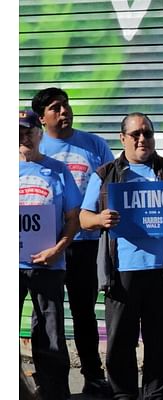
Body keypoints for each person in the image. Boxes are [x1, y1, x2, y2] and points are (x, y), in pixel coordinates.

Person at [79, 112, 163, 400]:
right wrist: (100, 220)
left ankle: (155, 394)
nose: (143, 139)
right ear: (123, 139)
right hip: (121, 270)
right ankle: (123, 394)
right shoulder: (106, 174)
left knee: (161, 340)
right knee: (120, 340)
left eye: (148, 133)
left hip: (162, 269)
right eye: (136, 134)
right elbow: (83, 217)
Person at [31, 87, 115, 396]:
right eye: (56, 108)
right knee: (45, 314)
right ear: (42, 118)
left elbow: (112, 184)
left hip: (85, 243)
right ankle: (46, 379)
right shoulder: (35, 147)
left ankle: (93, 374)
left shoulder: (94, 145)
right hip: (45, 248)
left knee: (83, 313)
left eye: (66, 106)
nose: (64, 112)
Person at [19, 110, 81, 400]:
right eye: (17, 132)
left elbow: (73, 217)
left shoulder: (58, 171)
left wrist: (58, 248)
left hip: (50, 264)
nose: (23, 137)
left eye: (28, 131)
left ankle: (54, 392)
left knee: (51, 337)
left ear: (39, 134)